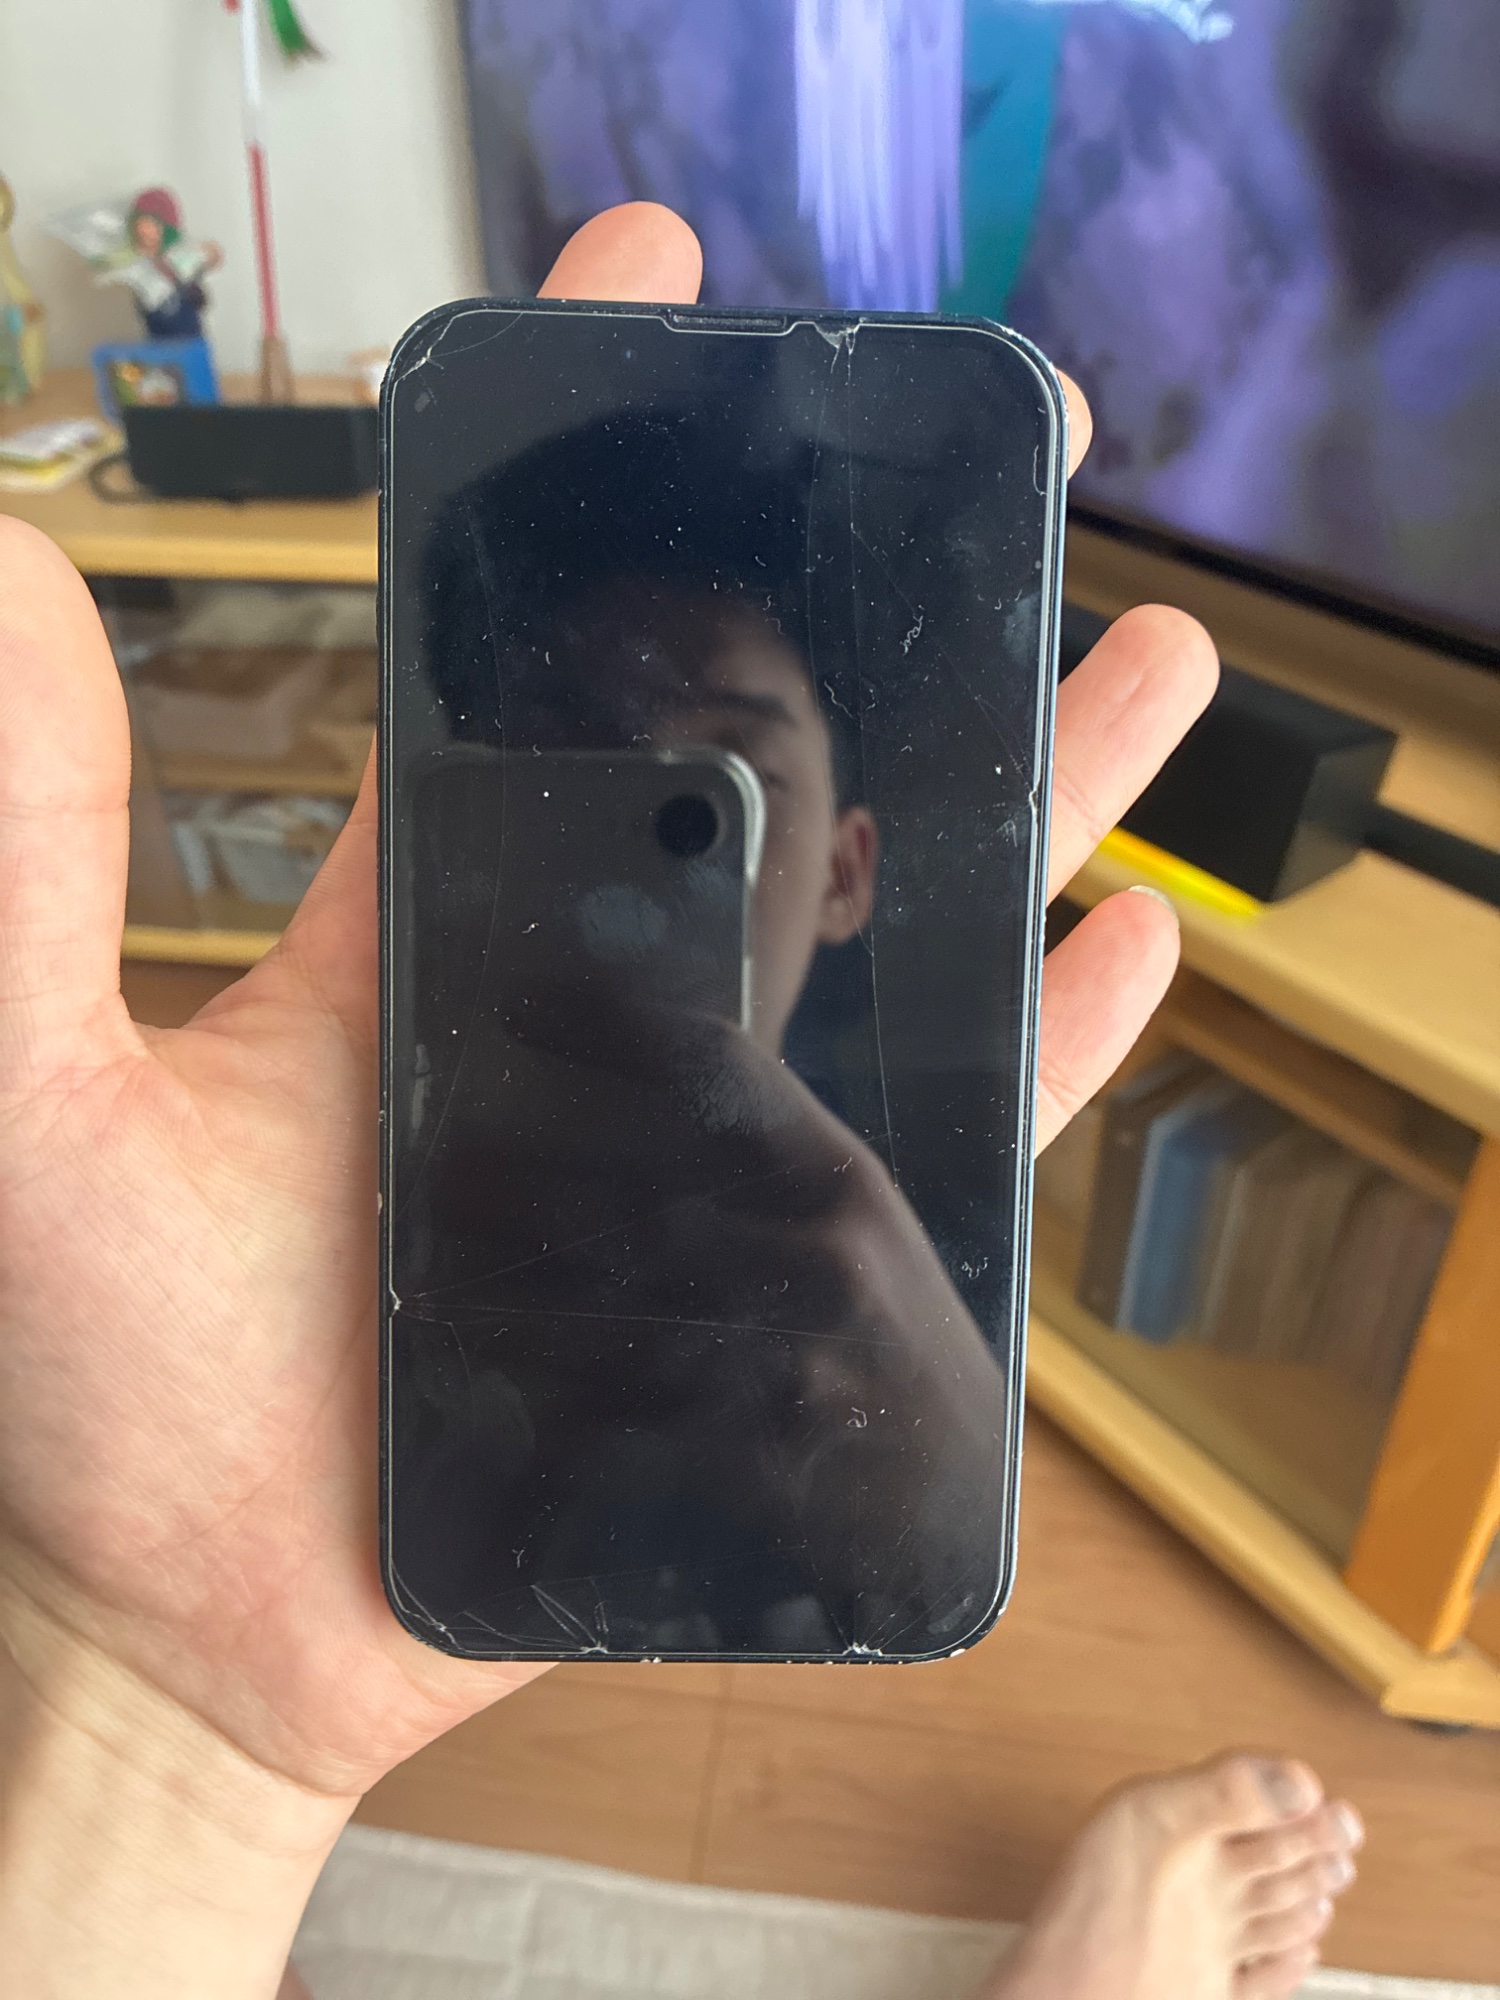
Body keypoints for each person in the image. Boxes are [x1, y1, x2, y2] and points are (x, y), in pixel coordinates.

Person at [0, 202, 1361, 1997]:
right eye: (560, 745)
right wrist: (153, 1709)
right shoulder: (355, 1239)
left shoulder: (885, 1240)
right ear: (462, 832)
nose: (643, 799)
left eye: (719, 762)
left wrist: (936, 1454)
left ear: (851, 868)